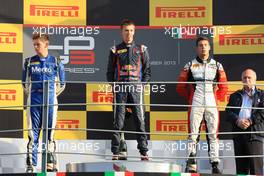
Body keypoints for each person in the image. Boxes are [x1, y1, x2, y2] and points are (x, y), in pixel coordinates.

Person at [176, 36, 228, 173]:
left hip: (212, 102)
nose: (203, 47)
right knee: (193, 133)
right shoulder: (189, 65)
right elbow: (180, 86)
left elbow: (224, 86)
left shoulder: (217, 65)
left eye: (205, 45)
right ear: (196, 48)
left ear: (210, 47)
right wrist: (191, 98)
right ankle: (191, 163)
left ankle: (215, 164)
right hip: (196, 101)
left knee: (213, 133)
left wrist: (216, 99)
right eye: (200, 45)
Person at [107, 19, 151, 161]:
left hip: (136, 88)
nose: (129, 33)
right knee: (118, 121)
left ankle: (144, 152)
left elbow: (147, 71)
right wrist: (115, 86)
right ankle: (115, 151)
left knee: (140, 120)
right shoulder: (114, 50)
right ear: (122, 32)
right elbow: (109, 72)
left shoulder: (141, 49)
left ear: (134, 31)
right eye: (126, 30)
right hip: (121, 88)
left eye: (131, 30)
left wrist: (142, 85)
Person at [22, 33, 65, 172]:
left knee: (49, 133)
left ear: (46, 44)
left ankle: (50, 163)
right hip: (34, 101)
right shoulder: (29, 61)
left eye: (38, 44)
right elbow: (24, 84)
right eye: (34, 44)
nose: (35, 47)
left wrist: (51, 94)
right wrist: (34, 93)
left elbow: (62, 83)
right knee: (32, 133)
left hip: (51, 101)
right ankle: (32, 165)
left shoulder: (56, 61)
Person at [226, 69, 264, 175]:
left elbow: (262, 112)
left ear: (255, 80)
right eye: (244, 78)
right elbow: (228, 112)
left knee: (256, 170)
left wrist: (250, 120)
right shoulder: (235, 95)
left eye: (249, 77)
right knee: (241, 171)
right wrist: (238, 121)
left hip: (254, 135)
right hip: (238, 134)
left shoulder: (262, 95)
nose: (247, 79)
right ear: (241, 80)